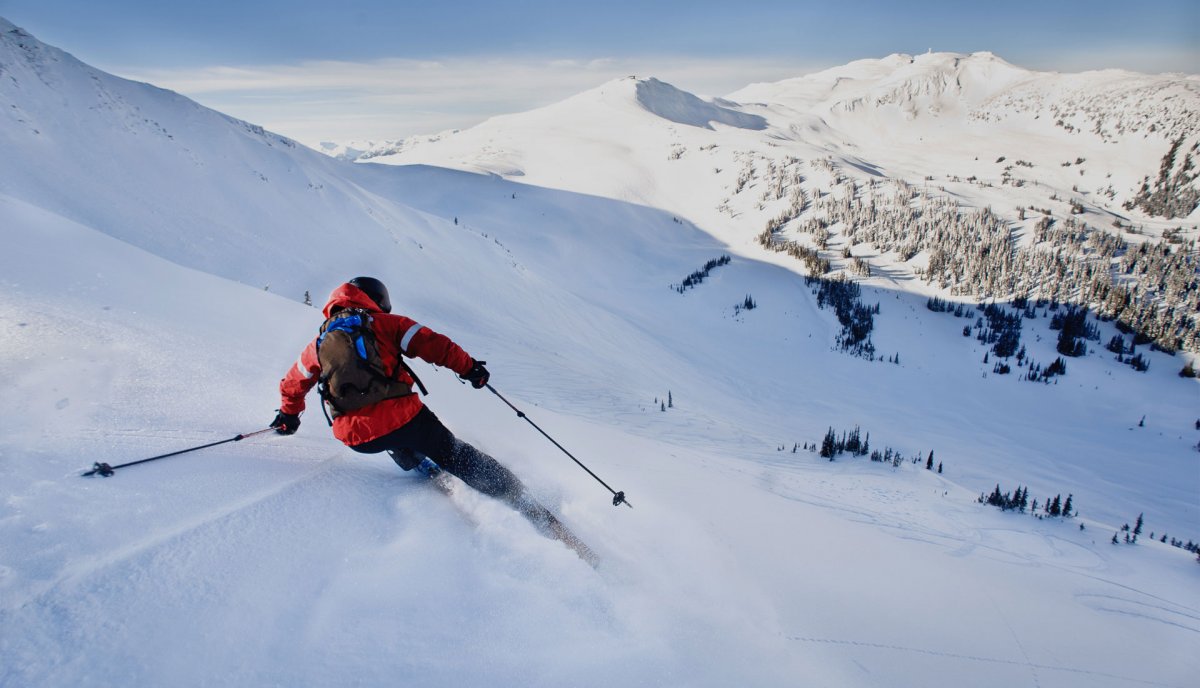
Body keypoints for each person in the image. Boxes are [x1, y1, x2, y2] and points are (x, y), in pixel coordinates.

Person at [270, 277, 526, 500]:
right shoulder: (387, 324)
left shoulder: (318, 344)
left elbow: (293, 384)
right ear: (377, 299)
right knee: (452, 452)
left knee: (387, 435)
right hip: (406, 421)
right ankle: (516, 494)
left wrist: (288, 417)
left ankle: (417, 463)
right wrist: (470, 369)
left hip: (356, 438)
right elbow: (435, 345)